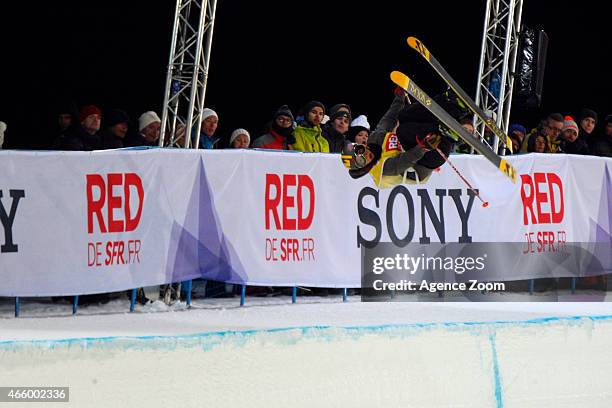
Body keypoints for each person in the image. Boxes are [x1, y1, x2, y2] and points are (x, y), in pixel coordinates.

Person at [347, 88, 466, 187]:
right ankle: (447, 134)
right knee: (402, 131)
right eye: (362, 161)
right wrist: (423, 147)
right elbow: (403, 161)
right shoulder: (381, 168)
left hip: (426, 140)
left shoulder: (374, 139)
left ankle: (450, 103)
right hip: (429, 159)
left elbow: (389, 119)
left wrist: (399, 97)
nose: (366, 155)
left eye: (361, 151)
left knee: (404, 115)